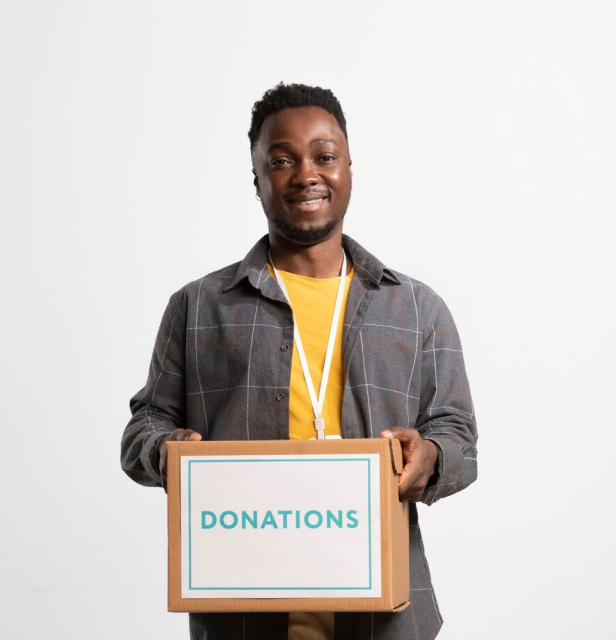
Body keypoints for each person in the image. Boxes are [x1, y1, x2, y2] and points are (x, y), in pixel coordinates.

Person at [121, 82, 478, 640]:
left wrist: (429, 456)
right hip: (242, 618)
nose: (305, 174)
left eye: (324, 156)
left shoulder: (417, 307)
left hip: (385, 618)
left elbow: (458, 436)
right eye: (282, 160)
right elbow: (144, 426)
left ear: (349, 169)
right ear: (257, 179)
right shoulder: (198, 307)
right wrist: (167, 453)